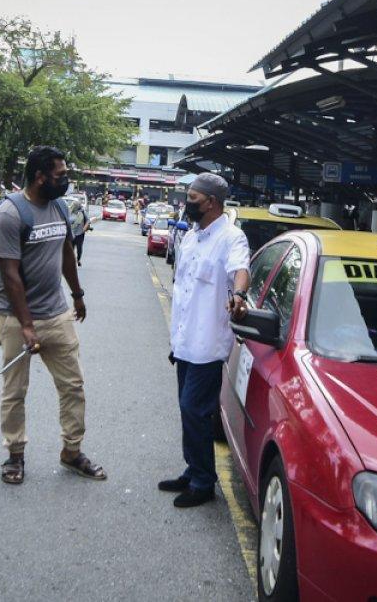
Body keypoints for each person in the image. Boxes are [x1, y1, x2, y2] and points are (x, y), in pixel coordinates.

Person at [0, 145, 105, 484]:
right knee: (15, 391)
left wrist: (78, 294)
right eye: (60, 174)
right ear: (40, 177)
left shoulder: (58, 206)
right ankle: (15, 455)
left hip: (57, 315)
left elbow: (67, 251)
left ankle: (71, 452)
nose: (65, 180)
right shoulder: (10, 215)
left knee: (73, 386)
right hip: (16, 318)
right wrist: (26, 326)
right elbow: (9, 274)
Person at [158, 173, 250, 508]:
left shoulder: (231, 237)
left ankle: (203, 482)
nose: (188, 203)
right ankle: (193, 468)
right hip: (184, 341)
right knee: (188, 410)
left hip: (208, 344)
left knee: (194, 409)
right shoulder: (194, 237)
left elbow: (241, 269)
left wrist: (239, 295)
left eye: (193, 198)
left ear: (211, 202)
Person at [69, 199, 90, 266]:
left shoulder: (82, 212)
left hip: (80, 234)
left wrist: (84, 228)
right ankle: (71, 260)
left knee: (79, 248)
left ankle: (78, 260)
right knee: (71, 248)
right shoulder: (69, 212)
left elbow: (88, 221)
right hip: (71, 234)